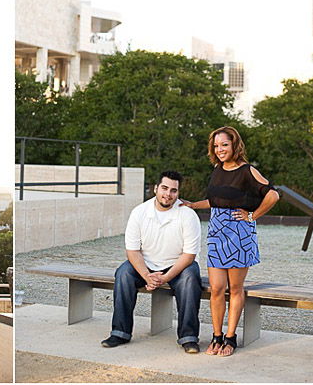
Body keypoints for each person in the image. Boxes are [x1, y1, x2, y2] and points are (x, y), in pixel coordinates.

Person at [183, 126, 279, 356]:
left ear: (235, 145)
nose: (220, 149)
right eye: (216, 146)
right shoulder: (217, 169)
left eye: (224, 144)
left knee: (235, 288)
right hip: (217, 233)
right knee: (217, 288)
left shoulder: (247, 171)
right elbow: (216, 200)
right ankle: (216, 336)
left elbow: (273, 195)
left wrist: (252, 216)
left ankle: (230, 337)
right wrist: (195, 205)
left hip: (239, 233)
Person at [101, 171, 203, 354]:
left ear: (178, 193)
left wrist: (164, 278)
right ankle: (120, 332)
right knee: (123, 273)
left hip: (178, 266)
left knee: (191, 278)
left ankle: (189, 338)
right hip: (146, 265)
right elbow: (132, 251)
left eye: (173, 190)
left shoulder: (187, 215)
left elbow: (189, 255)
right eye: (164, 188)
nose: (168, 194)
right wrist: (147, 276)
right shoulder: (140, 212)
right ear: (156, 188)